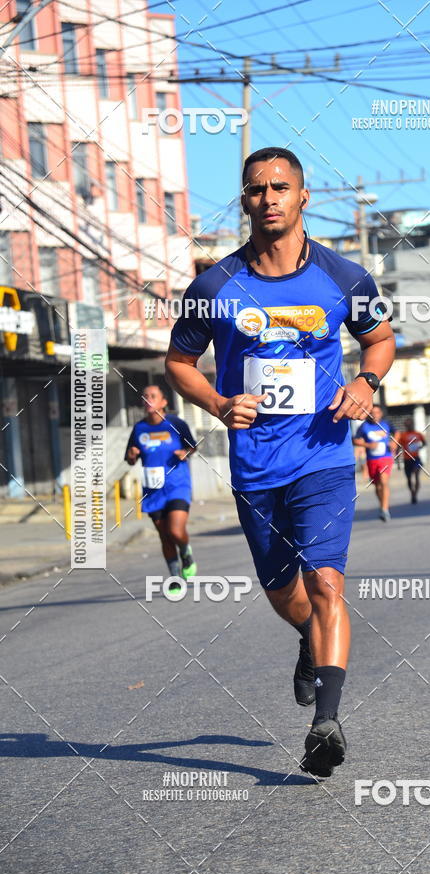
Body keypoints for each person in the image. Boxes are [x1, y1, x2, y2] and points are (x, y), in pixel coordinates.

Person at [165, 147, 395, 778]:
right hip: (256, 465)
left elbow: (379, 340)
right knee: (283, 592)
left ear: (302, 196)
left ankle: (327, 721)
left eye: (280, 187)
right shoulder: (214, 286)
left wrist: (366, 382)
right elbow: (179, 363)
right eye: (256, 189)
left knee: (326, 583)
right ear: (244, 200)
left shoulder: (345, 276)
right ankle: (308, 641)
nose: (268, 198)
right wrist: (218, 403)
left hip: (323, 456)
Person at [125, 385, 197, 590]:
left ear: (164, 402)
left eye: (153, 396)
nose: (148, 399)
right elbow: (130, 458)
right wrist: (132, 455)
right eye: (145, 396)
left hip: (177, 485)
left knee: (175, 531)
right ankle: (175, 578)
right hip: (153, 490)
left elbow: (192, 446)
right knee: (164, 536)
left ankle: (185, 552)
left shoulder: (176, 424)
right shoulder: (139, 429)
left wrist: (185, 453)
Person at [353, 404, 394, 521]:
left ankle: (385, 509)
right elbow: (355, 440)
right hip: (372, 459)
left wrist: (394, 443)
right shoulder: (364, 426)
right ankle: (382, 504)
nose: (375, 415)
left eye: (377, 412)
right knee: (377, 485)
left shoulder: (386, 424)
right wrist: (368, 445)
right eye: (372, 413)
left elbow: (397, 433)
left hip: (386, 458)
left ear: (381, 414)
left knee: (384, 481)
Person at [395, 416, 427, 504]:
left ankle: (415, 494)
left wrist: (419, 447)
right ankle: (412, 492)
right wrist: (398, 462)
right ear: (405, 426)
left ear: (413, 424)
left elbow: (424, 443)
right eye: (407, 425)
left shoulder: (418, 434)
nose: (409, 426)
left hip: (416, 459)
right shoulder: (402, 436)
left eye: (410, 424)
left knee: (416, 476)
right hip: (407, 459)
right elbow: (398, 448)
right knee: (409, 479)